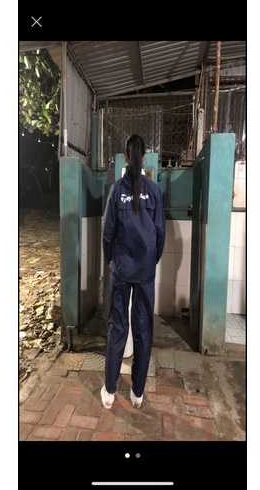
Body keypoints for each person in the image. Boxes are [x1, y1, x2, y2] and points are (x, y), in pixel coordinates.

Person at [101, 134, 166, 409]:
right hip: (144, 271)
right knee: (143, 328)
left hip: (122, 270)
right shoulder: (153, 190)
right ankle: (137, 393)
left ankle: (110, 391)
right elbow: (160, 232)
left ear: (125, 157)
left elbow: (107, 233)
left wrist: (111, 262)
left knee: (118, 326)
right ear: (144, 157)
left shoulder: (117, 190)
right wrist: (151, 261)